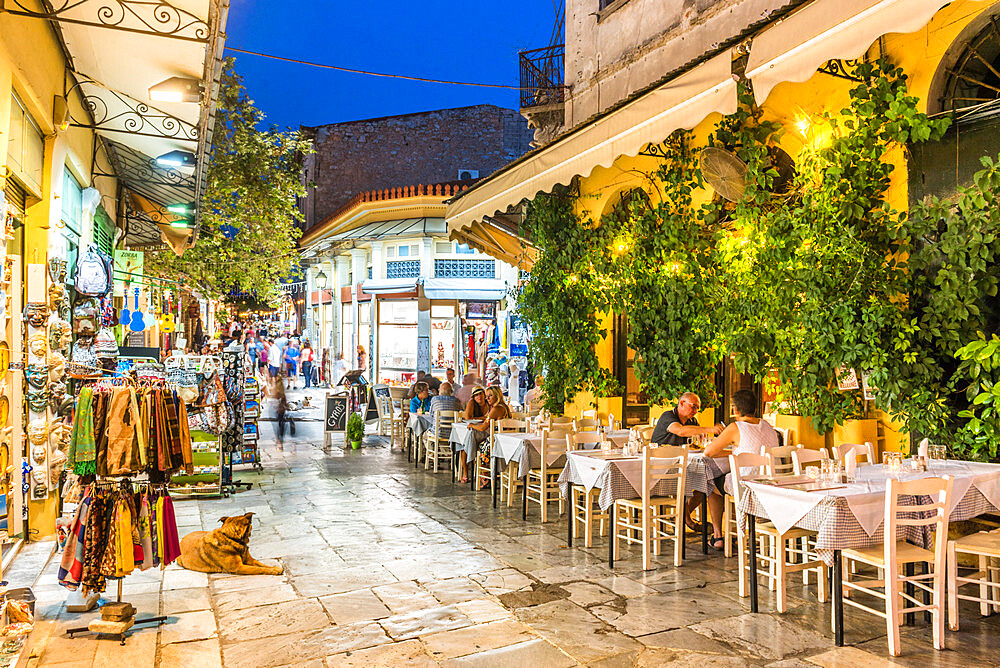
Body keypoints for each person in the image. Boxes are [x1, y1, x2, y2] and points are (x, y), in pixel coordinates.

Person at [703, 389, 779, 550]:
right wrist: (736, 451)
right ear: (755, 409)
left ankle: (718, 536)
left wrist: (733, 451)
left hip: (746, 484)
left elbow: (709, 452)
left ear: (735, 409)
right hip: (770, 483)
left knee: (711, 483)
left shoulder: (735, 427)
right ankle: (737, 531)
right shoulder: (768, 425)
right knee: (723, 479)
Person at [650, 392, 724, 533]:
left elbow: (698, 440)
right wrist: (711, 429)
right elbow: (681, 431)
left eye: (697, 408)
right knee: (691, 481)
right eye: (693, 407)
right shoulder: (668, 416)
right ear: (681, 403)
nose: (696, 411)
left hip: (683, 466)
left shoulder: (692, 421)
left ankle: (683, 516)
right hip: (661, 469)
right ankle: (687, 519)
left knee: (707, 482)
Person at [468, 386, 511, 489]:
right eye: (487, 396)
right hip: (506, 439)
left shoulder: (496, 408)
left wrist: (471, 425)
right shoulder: (505, 407)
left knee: (480, 444)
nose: (488, 399)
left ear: (497, 396)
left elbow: (483, 428)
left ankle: (486, 476)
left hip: (497, 441)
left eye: (490, 396)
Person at [457, 387, 489, 483]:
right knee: (465, 445)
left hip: (485, 431)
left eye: (480, 394)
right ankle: (465, 473)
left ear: (484, 394)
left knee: (473, 443)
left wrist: (483, 419)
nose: (479, 396)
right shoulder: (472, 403)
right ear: (473, 397)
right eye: (476, 395)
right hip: (473, 429)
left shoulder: (489, 403)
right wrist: (484, 418)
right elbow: (468, 418)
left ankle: (484, 474)